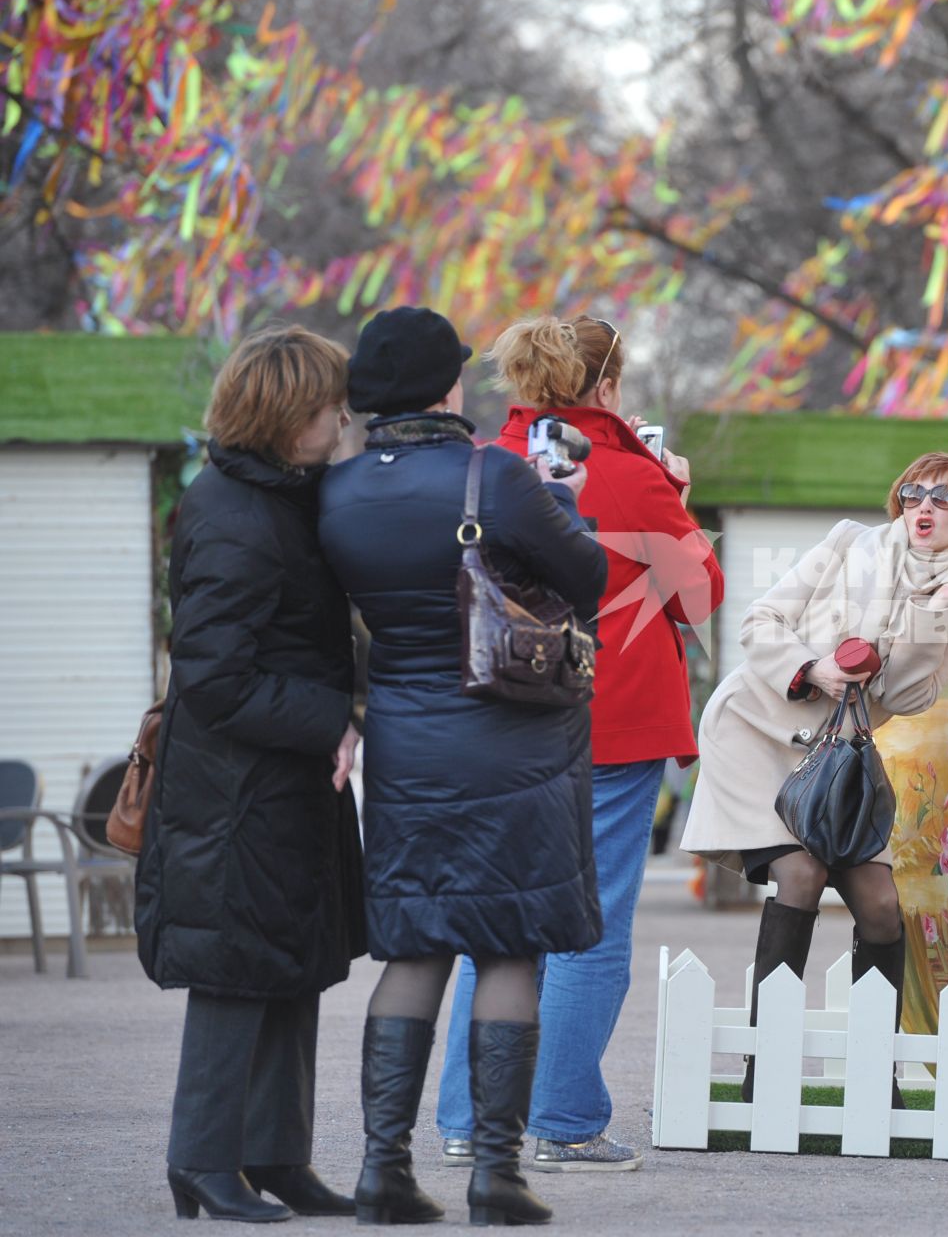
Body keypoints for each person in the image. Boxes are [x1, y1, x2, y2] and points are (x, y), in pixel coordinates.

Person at [319, 307, 608, 1227]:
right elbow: (590, 578)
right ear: (449, 387)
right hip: (515, 739)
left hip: (405, 746)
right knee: (508, 946)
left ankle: (381, 1170)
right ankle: (495, 1175)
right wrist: (561, 493)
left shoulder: (337, 494)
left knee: (414, 946)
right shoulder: (500, 476)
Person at [434, 314, 723, 1173]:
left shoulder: (481, 467)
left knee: (492, 922)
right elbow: (699, 600)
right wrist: (677, 489)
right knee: (586, 930)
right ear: (606, 388)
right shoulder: (633, 477)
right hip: (610, 725)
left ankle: (467, 1121)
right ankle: (563, 1122)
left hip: (493, 721)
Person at [678, 453, 948, 1102]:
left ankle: (872, 1077)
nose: (925, 506)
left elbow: (908, 697)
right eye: (914, 493)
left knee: (881, 906)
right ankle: (762, 1075)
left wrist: (935, 613)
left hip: (839, 757)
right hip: (754, 728)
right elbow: (759, 622)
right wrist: (813, 667)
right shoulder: (847, 544)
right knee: (799, 873)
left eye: (945, 497)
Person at [136, 326, 365, 1223]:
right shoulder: (235, 513)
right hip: (235, 791)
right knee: (236, 973)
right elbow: (213, 674)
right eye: (324, 406)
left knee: (288, 964)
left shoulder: (276, 498)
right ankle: (201, 1160)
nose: (340, 418)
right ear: (281, 415)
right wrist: (330, 724)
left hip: (273, 785)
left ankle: (276, 1156)